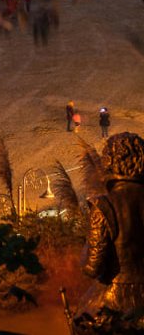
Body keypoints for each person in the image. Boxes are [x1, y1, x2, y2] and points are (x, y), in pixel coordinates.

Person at [83, 132, 144, 319]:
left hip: (116, 301)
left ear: (109, 162)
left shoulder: (102, 205)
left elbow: (94, 267)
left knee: (83, 320)